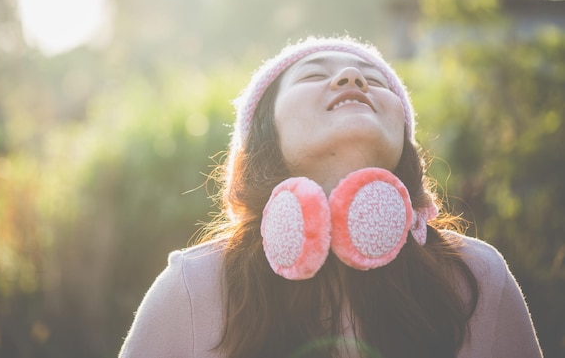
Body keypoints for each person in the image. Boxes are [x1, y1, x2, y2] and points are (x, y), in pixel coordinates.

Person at [118, 36, 543, 358]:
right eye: (314, 74)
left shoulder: (478, 276)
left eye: (374, 80)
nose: (352, 79)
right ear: (266, 135)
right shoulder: (194, 288)